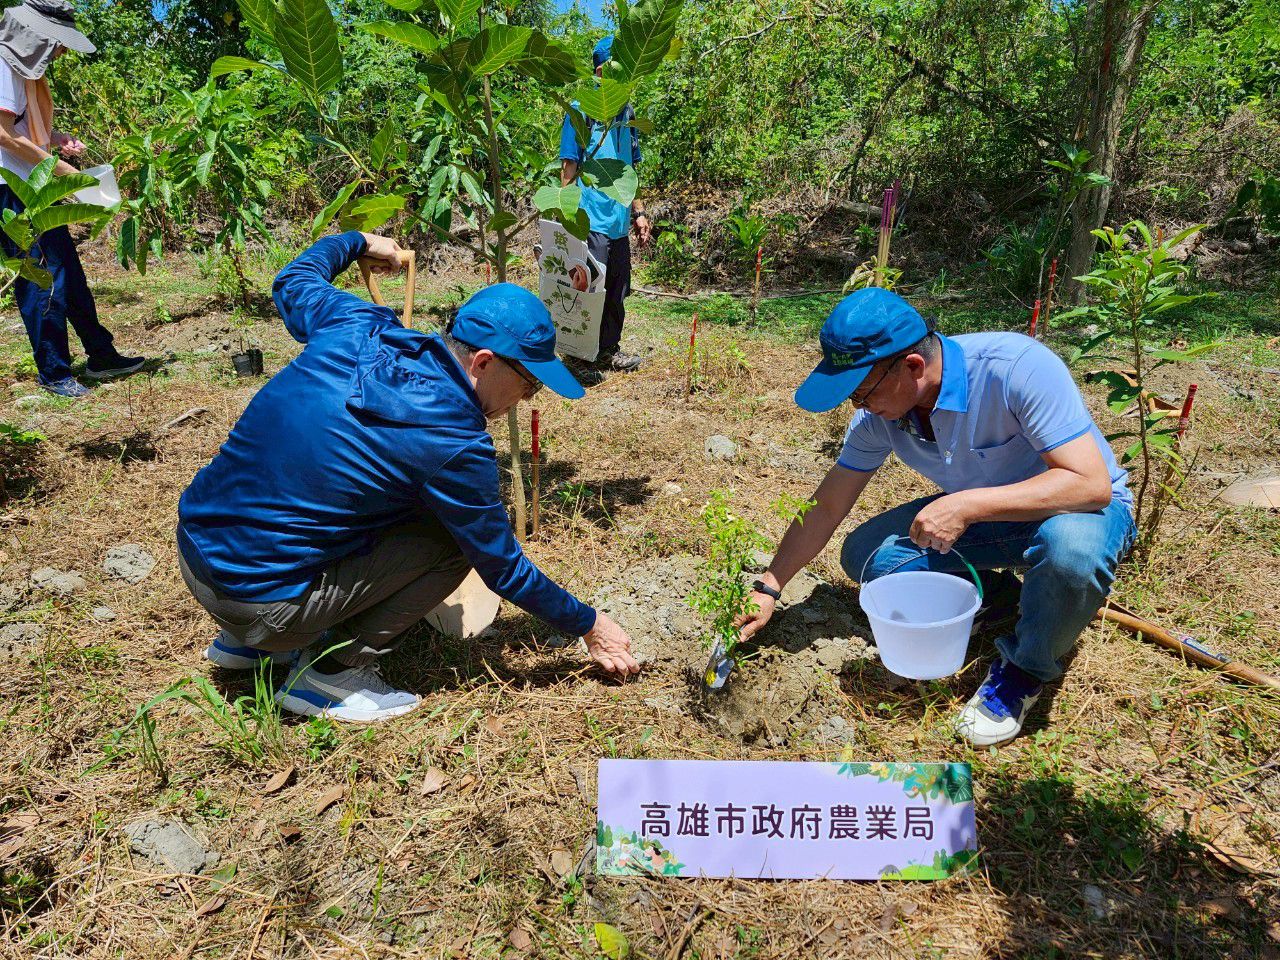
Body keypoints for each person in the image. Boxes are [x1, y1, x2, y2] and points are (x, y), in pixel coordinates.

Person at [177, 232, 641, 723]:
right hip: (262, 605)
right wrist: (590, 624)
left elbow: (293, 278)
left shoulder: (358, 323)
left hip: (196, 554)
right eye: (528, 383)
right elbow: (502, 567)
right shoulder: (455, 442)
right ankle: (325, 674)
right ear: (483, 362)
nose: (527, 399)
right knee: (454, 541)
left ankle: (247, 646)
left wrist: (356, 242)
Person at [738, 288, 1135, 746]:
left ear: (911, 367)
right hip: (996, 518)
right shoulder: (881, 415)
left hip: (1077, 510)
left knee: (1070, 554)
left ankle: (1025, 668)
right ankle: (1007, 599)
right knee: (868, 558)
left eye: (861, 392)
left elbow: (1089, 484)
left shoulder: (1015, 369)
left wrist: (965, 505)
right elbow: (828, 504)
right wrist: (769, 585)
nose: (857, 406)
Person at [0, 0, 143, 398]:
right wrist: (65, 174)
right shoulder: (1, 64)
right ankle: (54, 372)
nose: (60, 51)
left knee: (69, 275)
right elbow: (3, 135)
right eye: (57, 42)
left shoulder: (20, 70)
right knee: (41, 280)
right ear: (36, 38)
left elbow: (18, 125)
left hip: (32, 184)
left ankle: (100, 355)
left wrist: (55, 138)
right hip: (12, 189)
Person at [559, 35, 651, 374]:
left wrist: (638, 212)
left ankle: (608, 350)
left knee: (618, 287)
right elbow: (569, 165)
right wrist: (565, 218)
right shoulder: (581, 110)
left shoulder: (627, 113)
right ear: (600, 70)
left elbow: (630, 167)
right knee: (588, 288)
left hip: (618, 220)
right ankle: (580, 355)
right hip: (590, 215)